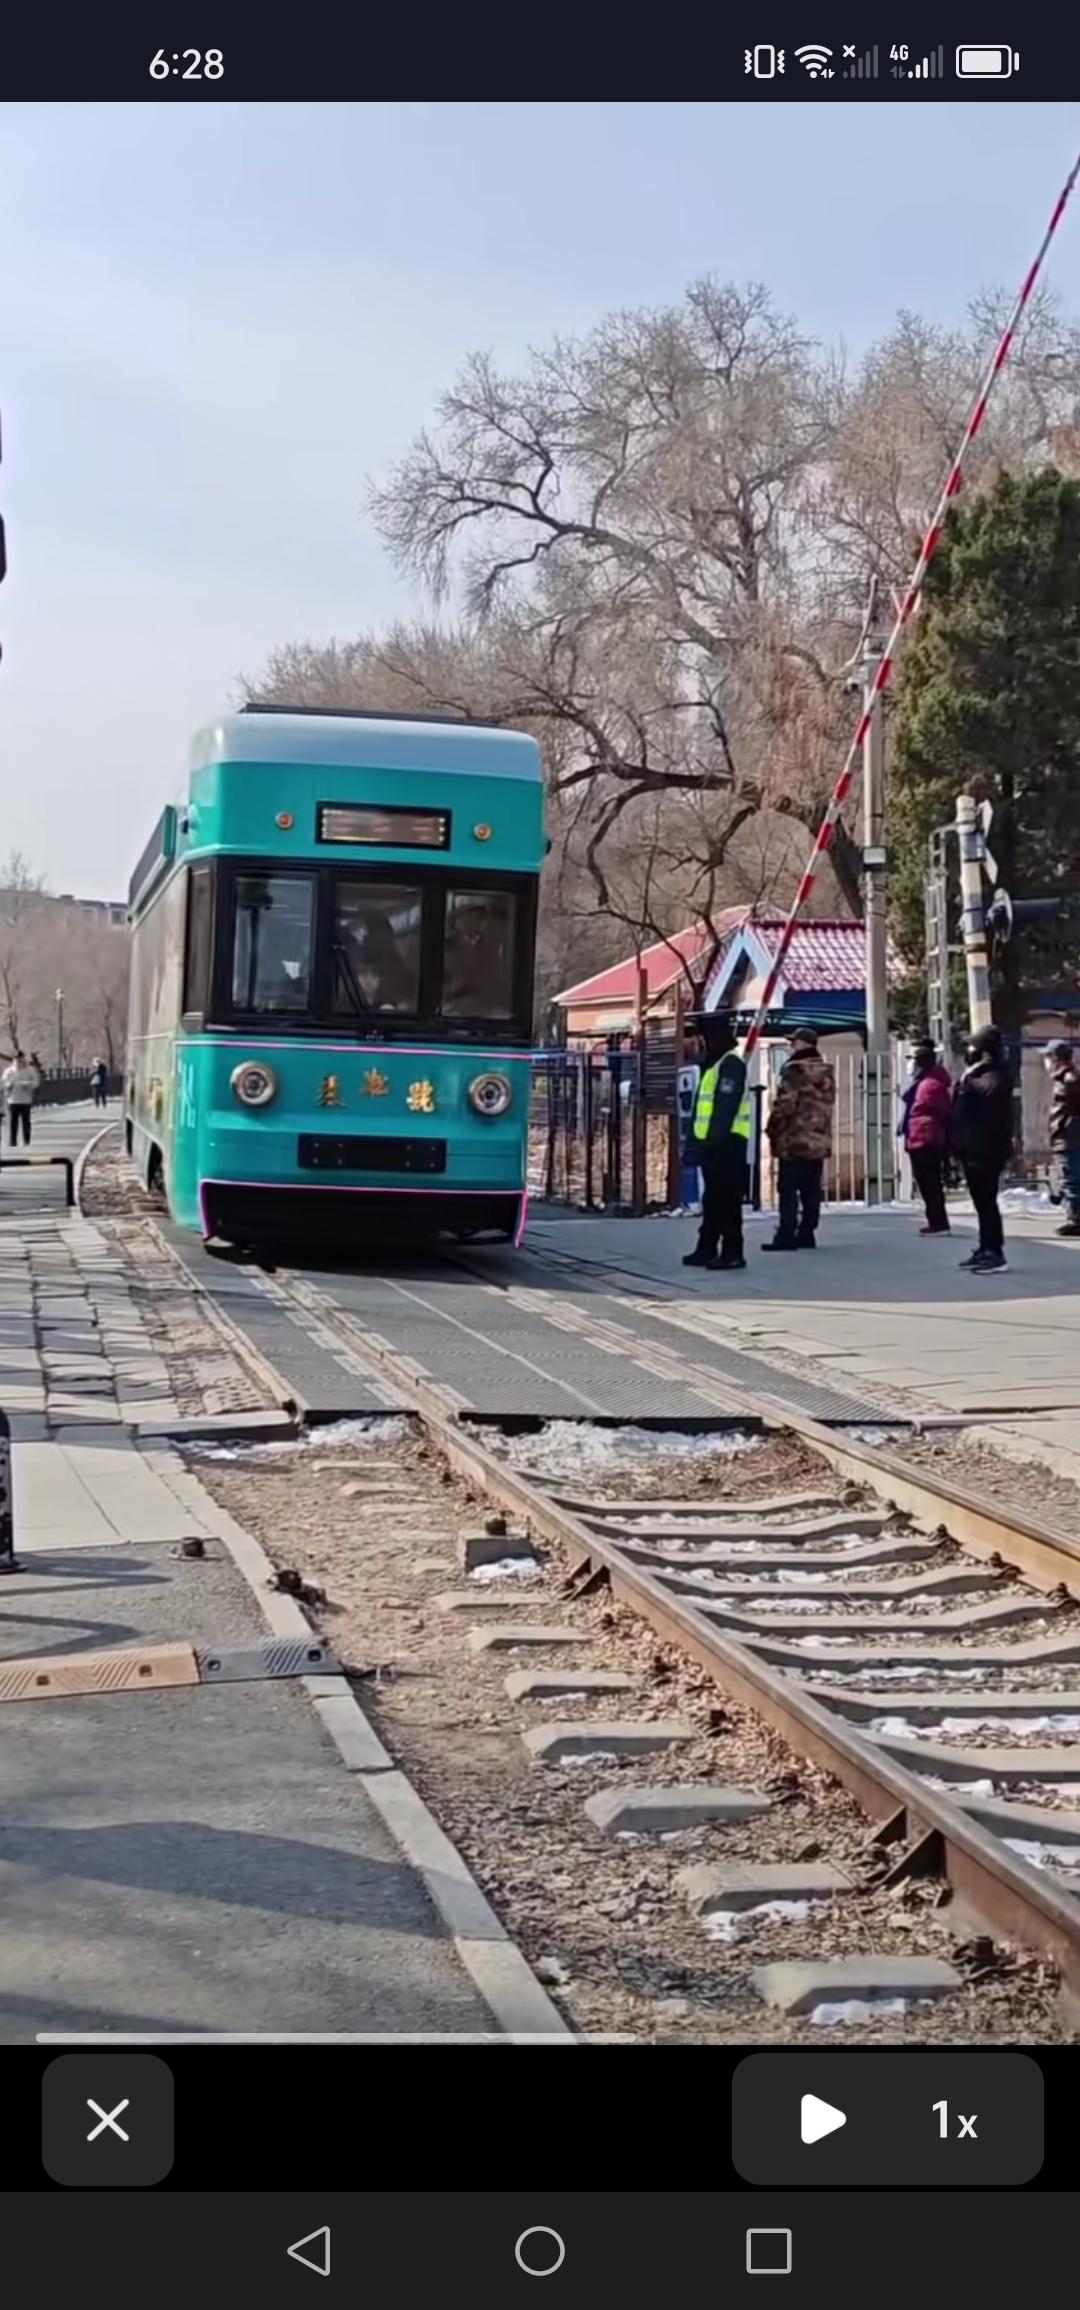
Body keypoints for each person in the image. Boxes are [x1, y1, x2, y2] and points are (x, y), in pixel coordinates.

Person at [682, 1011, 751, 1272]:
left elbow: (725, 1107)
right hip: (712, 1144)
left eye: (700, 1038)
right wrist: (697, 1144)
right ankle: (707, 1248)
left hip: (727, 1144)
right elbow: (702, 1110)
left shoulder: (730, 1065)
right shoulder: (713, 1065)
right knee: (713, 1201)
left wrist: (714, 1141)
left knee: (727, 1201)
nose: (698, 1044)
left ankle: (733, 1253)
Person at [763, 1027, 835, 1250]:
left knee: (788, 1189)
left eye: (794, 1043)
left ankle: (786, 1234)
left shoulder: (794, 1071)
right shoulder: (826, 1072)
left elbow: (785, 1105)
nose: (791, 1046)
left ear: (803, 1044)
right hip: (818, 1139)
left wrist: (772, 1127)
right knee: (811, 1190)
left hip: (794, 1140)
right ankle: (807, 1233)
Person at [951, 1024, 1013, 1273]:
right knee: (981, 1202)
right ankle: (985, 1246)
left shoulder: (995, 1075)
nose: (968, 1050)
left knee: (987, 1202)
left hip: (986, 1148)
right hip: (972, 1147)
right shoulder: (978, 1073)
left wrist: (967, 1082)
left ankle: (995, 1252)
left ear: (984, 1050)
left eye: (972, 1045)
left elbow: (988, 1096)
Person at [902, 1041, 953, 1235]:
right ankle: (935, 1220)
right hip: (919, 1137)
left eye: (913, 1060)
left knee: (930, 1182)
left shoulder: (931, 1085)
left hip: (926, 1139)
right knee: (925, 1181)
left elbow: (943, 1112)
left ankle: (938, 1221)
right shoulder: (923, 1082)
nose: (910, 1065)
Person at [1044, 1039, 1080, 1236]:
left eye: (1048, 1057)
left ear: (1055, 1059)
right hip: (1065, 1135)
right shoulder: (1063, 1078)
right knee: (1067, 1177)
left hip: (1070, 1135)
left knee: (1071, 1178)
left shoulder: (1071, 1079)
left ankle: (1076, 1219)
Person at [2, 1048, 41, 1147]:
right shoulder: (9, 1071)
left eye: (20, 1058)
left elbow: (36, 1082)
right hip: (13, 1100)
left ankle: (26, 1141)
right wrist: (8, 1085)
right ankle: (12, 1141)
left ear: (23, 1058)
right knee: (12, 1122)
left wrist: (28, 1085)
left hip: (25, 1100)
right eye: (16, 1059)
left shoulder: (30, 1070)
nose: (18, 1061)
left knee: (26, 1122)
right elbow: (3, 1083)